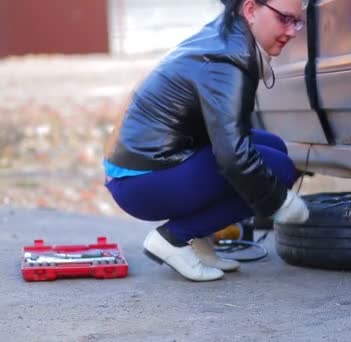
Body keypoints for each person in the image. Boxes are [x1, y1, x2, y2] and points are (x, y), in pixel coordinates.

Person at [103, 0, 310, 282]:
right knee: (279, 169)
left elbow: (230, 140)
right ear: (250, 10)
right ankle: (174, 238)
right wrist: (279, 201)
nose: (293, 31)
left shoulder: (227, 36)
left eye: (297, 21)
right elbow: (234, 156)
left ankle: (198, 239)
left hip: (146, 167)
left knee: (275, 149)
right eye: (285, 18)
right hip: (140, 181)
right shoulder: (227, 62)